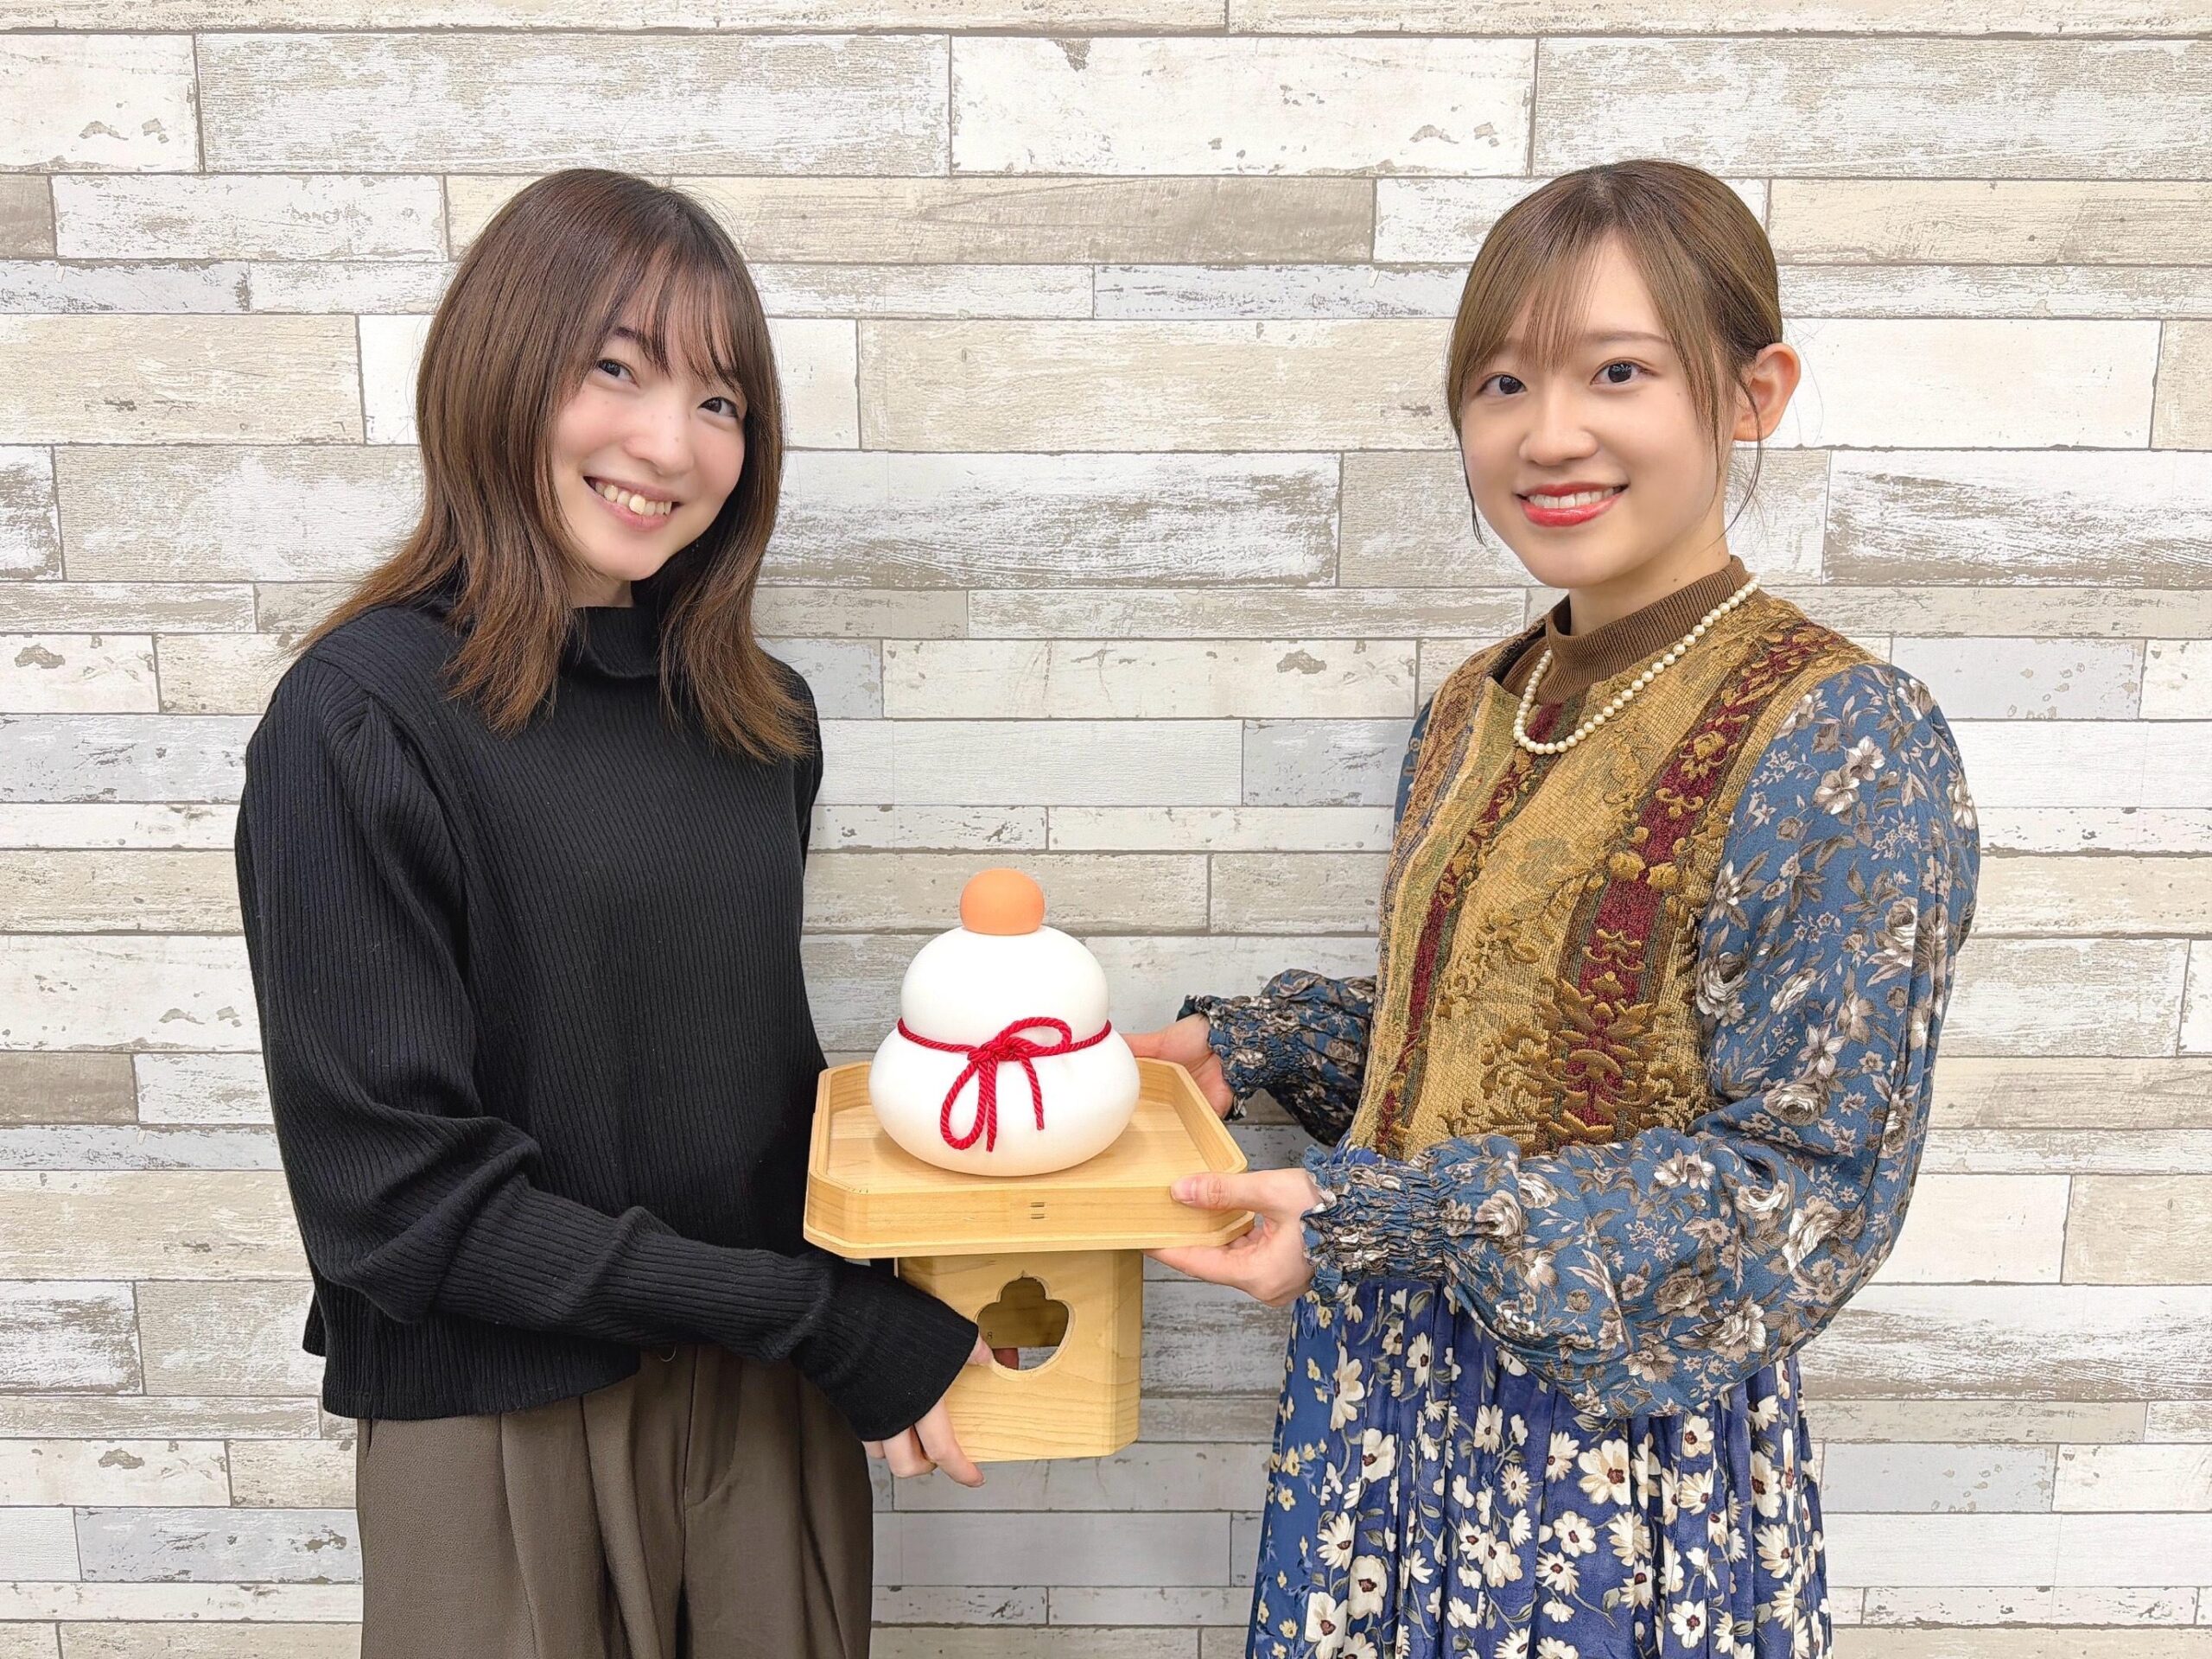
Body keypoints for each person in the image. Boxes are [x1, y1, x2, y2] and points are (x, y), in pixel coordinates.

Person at [1130, 160, 1980, 1659]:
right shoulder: (1482, 703)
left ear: (1754, 393)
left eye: (1618, 372)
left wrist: (1399, 1217)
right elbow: (1501, 1038)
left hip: (1598, 1466)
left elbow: (1810, 1189)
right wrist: (1253, 1051)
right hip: (1381, 1400)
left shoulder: (1840, 735)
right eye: (1503, 381)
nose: (1548, 434)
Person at [232, 168, 988, 1659]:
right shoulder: (359, 720)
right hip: (501, 1426)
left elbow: (728, 1080)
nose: (672, 444)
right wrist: (814, 1317)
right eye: (618, 370)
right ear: (500, 369)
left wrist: (983, 1153)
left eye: (720, 400)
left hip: (764, 1407)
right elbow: (396, 1204)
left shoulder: (760, 719)